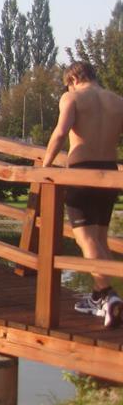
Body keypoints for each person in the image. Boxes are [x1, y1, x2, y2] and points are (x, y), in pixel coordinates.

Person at [42, 61, 123, 327]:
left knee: (86, 239)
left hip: (81, 171)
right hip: (109, 173)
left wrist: (44, 167)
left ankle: (109, 297)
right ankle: (99, 296)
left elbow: (61, 132)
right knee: (100, 238)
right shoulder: (117, 101)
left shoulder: (72, 97)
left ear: (73, 78)